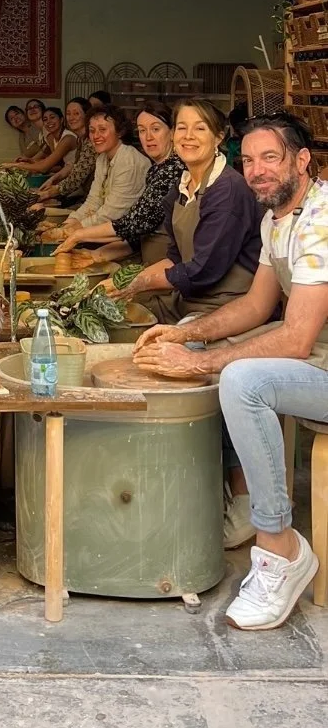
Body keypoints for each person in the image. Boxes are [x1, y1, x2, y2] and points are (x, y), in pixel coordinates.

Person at [133, 113, 325, 631]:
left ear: (301, 160)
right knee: (198, 331)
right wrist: (182, 336)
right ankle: (218, 499)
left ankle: (278, 546)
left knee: (243, 381)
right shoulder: (276, 218)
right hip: (315, 360)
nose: (258, 171)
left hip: (320, 362)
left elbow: (297, 337)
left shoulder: (322, 218)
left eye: (271, 158)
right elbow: (256, 307)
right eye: (249, 160)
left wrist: (199, 361)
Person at [113, 99, 264, 323]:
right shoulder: (181, 188)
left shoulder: (227, 190)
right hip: (187, 299)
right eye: (182, 127)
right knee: (113, 314)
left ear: (218, 137)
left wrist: (142, 283)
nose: (188, 136)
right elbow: (175, 257)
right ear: (173, 135)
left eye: (200, 128)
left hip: (225, 306)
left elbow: (203, 269)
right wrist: (125, 284)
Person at [54, 102, 184, 264]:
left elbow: (134, 222)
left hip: (169, 263)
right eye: (142, 130)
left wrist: (78, 233)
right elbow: (138, 230)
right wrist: (96, 253)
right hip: (146, 252)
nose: (148, 137)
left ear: (172, 132)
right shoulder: (157, 169)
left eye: (155, 129)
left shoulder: (172, 169)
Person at [59, 103, 149, 233]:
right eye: (92, 130)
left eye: (102, 130)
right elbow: (93, 201)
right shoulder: (102, 158)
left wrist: (76, 229)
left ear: (120, 132)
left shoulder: (129, 161)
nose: (96, 136)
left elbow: (113, 214)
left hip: (129, 237)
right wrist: (70, 222)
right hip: (108, 230)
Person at [33, 97, 94, 204]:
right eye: (68, 114)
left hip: (90, 197)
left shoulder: (90, 141)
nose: (71, 118)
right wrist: (53, 179)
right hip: (84, 194)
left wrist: (50, 192)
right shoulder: (80, 139)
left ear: (87, 115)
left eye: (76, 113)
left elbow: (77, 177)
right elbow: (73, 166)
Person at [12, 105, 78, 176]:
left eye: (52, 117)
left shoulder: (68, 138)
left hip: (77, 176)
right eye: (45, 119)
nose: (49, 121)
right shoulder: (54, 138)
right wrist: (29, 160)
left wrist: (14, 165)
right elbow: (55, 164)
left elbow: (44, 167)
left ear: (61, 120)